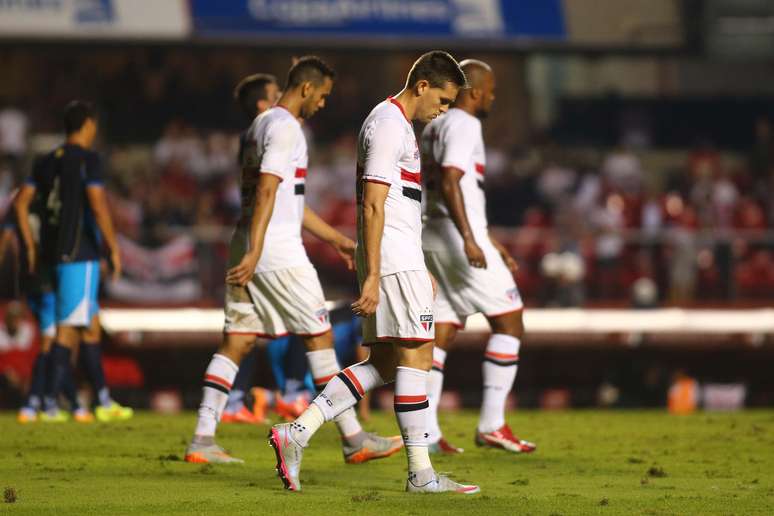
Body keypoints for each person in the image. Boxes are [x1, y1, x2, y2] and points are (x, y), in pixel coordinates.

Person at [270, 50, 479, 494]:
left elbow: (398, 205)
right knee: (419, 355)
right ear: (422, 86)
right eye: (442, 101)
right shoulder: (388, 125)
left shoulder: (394, 124)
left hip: (400, 257)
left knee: (383, 362)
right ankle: (421, 474)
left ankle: (296, 433)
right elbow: (372, 203)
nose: (443, 112)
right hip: (393, 260)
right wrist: (374, 275)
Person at [185, 57, 401, 465]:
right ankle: (354, 438)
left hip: (249, 240)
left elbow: (286, 199)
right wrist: (258, 250)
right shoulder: (287, 129)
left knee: (238, 340)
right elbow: (268, 191)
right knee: (319, 336)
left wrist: (334, 238)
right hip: (277, 250)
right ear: (306, 89)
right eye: (322, 95)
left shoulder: (257, 128)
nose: (322, 103)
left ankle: (202, 438)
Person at [421, 60, 536, 454]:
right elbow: (452, 179)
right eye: (489, 90)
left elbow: (449, 186)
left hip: (433, 234)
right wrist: (471, 240)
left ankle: (427, 432)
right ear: (472, 91)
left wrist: (487, 237)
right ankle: (491, 424)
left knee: (442, 331)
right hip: (456, 238)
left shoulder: (433, 124)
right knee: (510, 320)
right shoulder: (465, 123)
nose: (492, 97)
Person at [14, 100, 132, 423]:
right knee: (69, 330)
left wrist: (31, 245)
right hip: (80, 253)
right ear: (88, 124)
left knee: (91, 327)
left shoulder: (46, 160)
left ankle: (103, 400)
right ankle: (49, 403)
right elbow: (97, 204)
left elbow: (20, 204)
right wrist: (113, 246)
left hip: (54, 253)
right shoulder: (88, 160)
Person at [2, 194, 89, 423]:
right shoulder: (51, 207)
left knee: (53, 345)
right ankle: (39, 402)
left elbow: (6, 240)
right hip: (49, 280)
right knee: (56, 344)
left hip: (28, 281)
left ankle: (70, 403)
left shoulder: (18, 206)